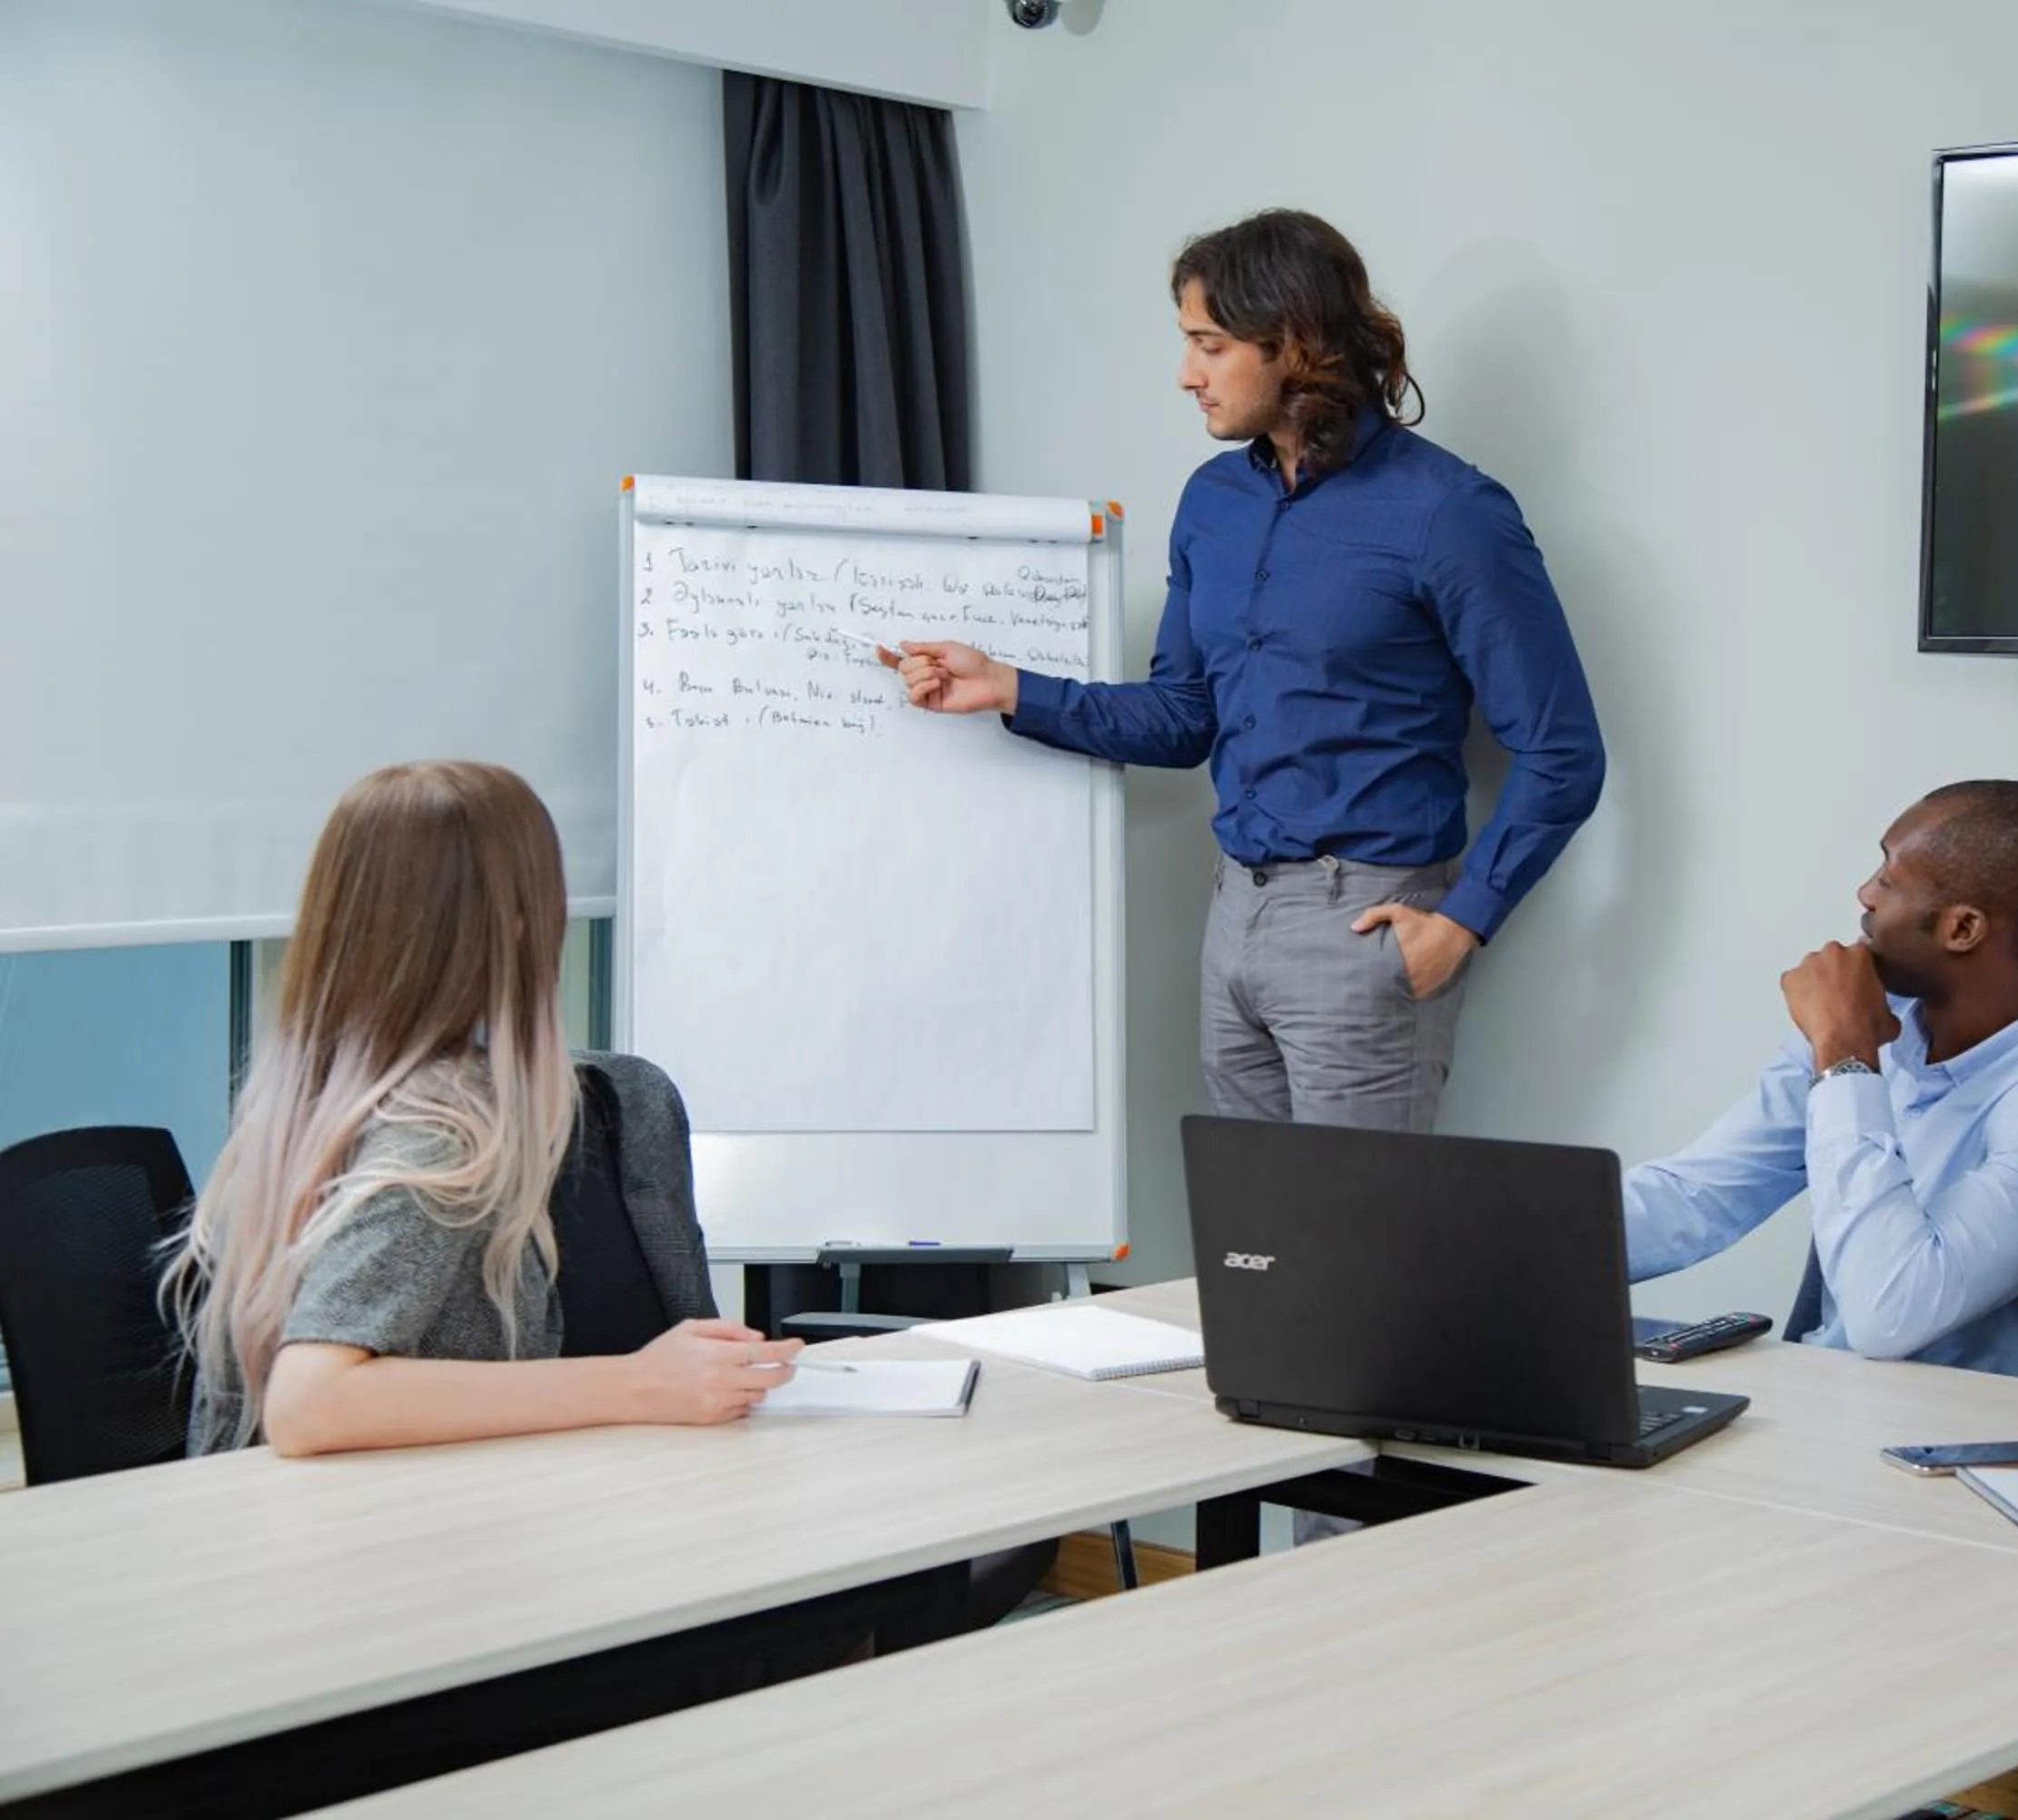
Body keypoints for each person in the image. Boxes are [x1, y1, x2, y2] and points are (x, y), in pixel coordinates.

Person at [885, 208, 1604, 1135]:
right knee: (1251, 1219)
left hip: (1367, 925)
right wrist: (1009, 687)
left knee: (1355, 1225)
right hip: (1233, 917)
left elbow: (1562, 751)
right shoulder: (1212, 502)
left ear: (1293, 343)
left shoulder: (1448, 512)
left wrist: (1461, 922)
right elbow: (1187, 716)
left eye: (1209, 345)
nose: (1186, 374)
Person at [167, 759, 806, 1456]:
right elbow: (309, 1402)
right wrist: (635, 1383)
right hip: (414, 1517)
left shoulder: (616, 1100)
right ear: (524, 923)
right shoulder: (440, 1134)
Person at [1622, 781, 2018, 1389]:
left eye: (1889, 879)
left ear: (1963, 928)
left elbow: (1890, 1314)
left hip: (1983, 1435)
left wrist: (1845, 1060)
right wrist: (1530, 1244)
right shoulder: (1874, 1013)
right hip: (1830, 1406)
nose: (1865, 893)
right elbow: (1701, 1193)